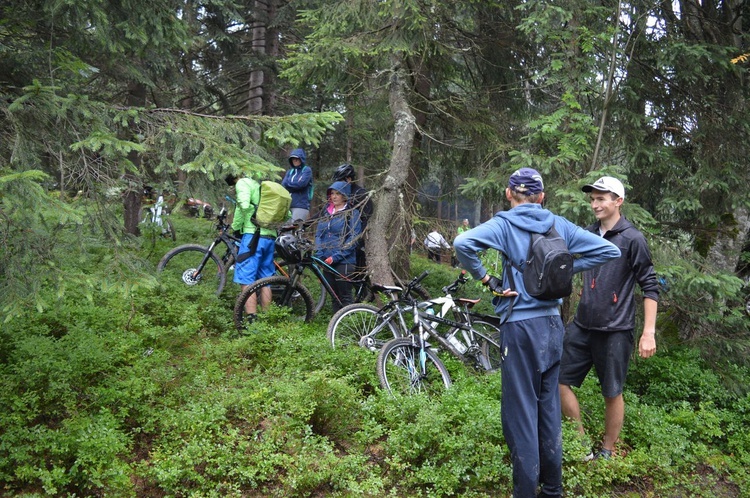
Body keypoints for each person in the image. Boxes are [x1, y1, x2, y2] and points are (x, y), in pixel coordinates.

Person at [453, 168, 620, 498]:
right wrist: (561, 270)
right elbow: (609, 251)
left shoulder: (504, 224)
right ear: (542, 197)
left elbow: (462, 243)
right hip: (553, 327)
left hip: (519, 327)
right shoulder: (559, 225)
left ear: (509, 194)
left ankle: (525, 492)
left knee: (521, 415)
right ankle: (553, 491)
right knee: (548, 411)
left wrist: (488, 280)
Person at [558, 176, 659, 461]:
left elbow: (650, 287)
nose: (595, 204)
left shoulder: (633, 239)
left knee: (611, 391)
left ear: (618, 201)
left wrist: (648, 332)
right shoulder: (587, 234)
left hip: (615, 329)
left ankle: (608, 450)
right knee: (558, 380)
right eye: (592, 199)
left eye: (601, 198)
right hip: (581, 325)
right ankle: (579, 443)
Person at [228, 174, 278, 323]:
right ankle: (267, 318)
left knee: (246, 279)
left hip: (254, 237)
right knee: (265, 279)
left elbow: (242, 205)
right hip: (270, 236)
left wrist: (236, 227)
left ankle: (252, 322)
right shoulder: (259, 186)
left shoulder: (243, 183)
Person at [314, 181, 362, 312]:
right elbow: (319, 234)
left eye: (338, 194)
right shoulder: (326, 212)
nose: (334, 197)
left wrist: (336, 257)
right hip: (325, 259)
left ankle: (349, 326)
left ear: (344, 196)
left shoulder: (352, 213)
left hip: (344, 261)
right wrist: (319, 254)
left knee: (345, 297)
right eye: (332, 194)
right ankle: (336, 326)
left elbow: (353, 239)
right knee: (334, 296)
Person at [332, 163, 373, 269]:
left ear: (349, 179)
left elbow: (366, 219)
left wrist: (358, 242)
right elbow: (327, 211)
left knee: (358, 276)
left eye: (340, 181)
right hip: (341, 239)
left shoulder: (361, 194)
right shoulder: (340, 194)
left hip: (357, 241)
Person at [281, 148, 313, 221]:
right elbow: (283, 185)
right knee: (285, 231)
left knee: (297, 230)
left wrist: (289, 185)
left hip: (301, 205)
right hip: (288, 205)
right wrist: (294, 185)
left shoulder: (307, 170)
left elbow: (301, 184)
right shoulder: (290, 172)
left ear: (301, 159)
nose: (295, 161)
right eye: (293, 159)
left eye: (297, 159)